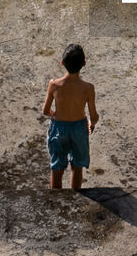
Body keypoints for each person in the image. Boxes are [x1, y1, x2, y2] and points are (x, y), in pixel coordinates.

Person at [41, 43, 99, 190]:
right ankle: (75, 197)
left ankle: (56, 199)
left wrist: (56, 115)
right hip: (79, 128)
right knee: (77, 166)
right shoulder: (88, 88)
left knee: (57, 167)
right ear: (84, 64)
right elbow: (94, 115)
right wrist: (92, 124)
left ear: (62, 63)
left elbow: (45, 110)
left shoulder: (54, 85)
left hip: (59, 128)